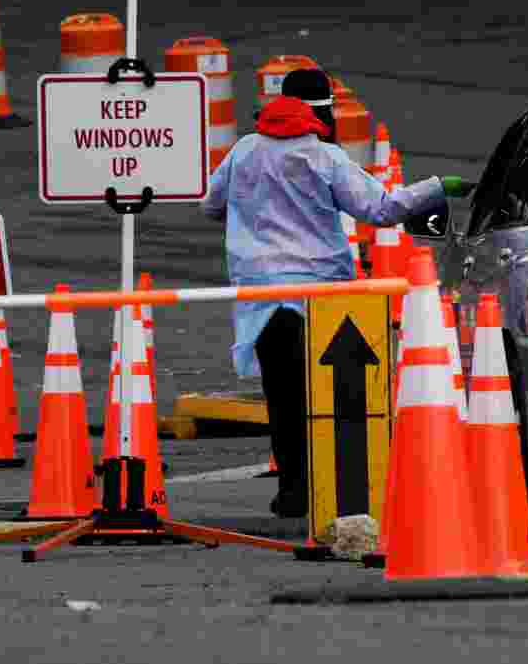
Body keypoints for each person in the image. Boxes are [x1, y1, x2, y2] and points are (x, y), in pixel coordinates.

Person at [200, 68, 473, 517]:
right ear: (324, 113)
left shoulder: (243, 150)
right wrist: (438, 188)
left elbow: (210, 205)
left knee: (283, 399)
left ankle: (293, 491)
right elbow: (381, 209)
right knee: (333, 397)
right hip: (319, 297)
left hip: (261, 299)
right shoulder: (322, 157)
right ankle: (342, 489)